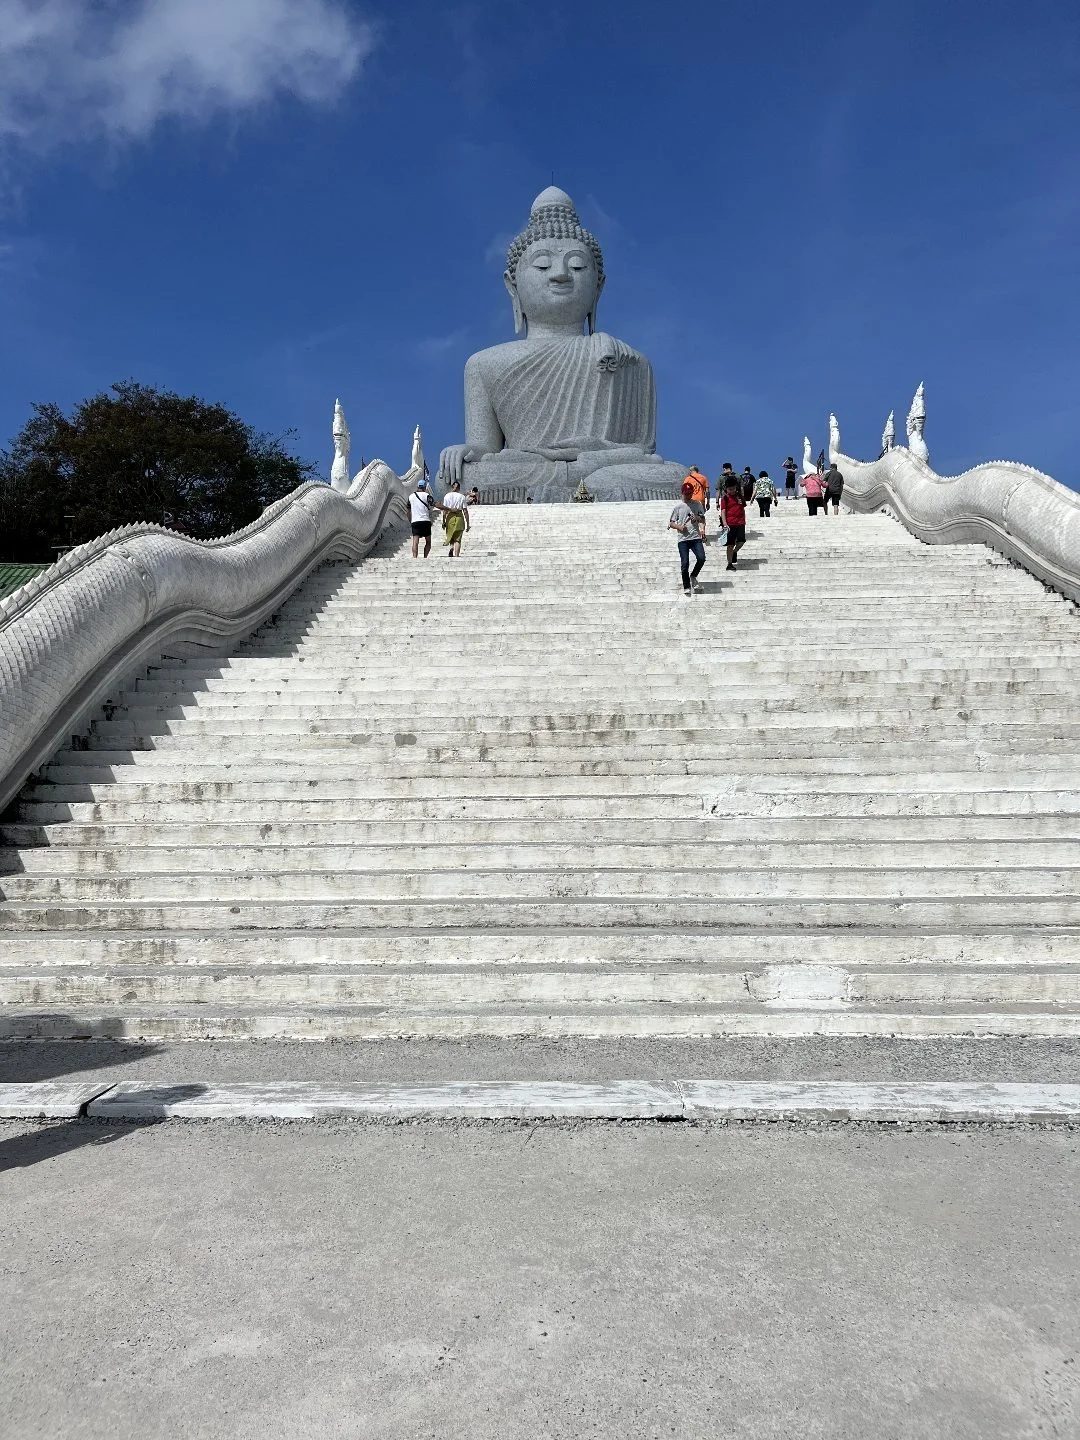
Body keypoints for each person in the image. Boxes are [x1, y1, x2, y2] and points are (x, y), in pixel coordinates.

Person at [668, 480, 706, 594]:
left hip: (695, 537)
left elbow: (703, 518)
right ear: (682, 493)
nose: (688, 495)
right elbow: (671, 523)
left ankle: (693, 576)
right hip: (683, 539)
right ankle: (686, 585)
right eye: (686, 493)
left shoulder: (697, 504)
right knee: (685, 563)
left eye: (690, 493)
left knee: (701, 558)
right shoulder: (678, 507)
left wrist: (697, 519)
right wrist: (679, 527)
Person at [437, 479, 471, 555]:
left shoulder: (447, 496)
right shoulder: (461, 496)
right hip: (459, 517)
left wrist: (444, 521)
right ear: (459, 488)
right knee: (458, 538)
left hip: (450, 517)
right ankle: (456, 555)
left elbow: (444, 510)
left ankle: (451, 547)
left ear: (452, 487)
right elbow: (465, 511)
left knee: (451, 535)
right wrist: (468, 524)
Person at [720, 476, 747, 570]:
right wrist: (724, 523)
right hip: (730, 524)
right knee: (730, 544)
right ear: (726, 489)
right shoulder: (725, 498)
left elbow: (743, 507)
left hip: (740, 522)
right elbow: (723, 511)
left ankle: (735, 552)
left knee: (741, 541)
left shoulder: (739, 496)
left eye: (733, 489)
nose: (732, 491)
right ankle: (729, 564)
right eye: (729, 489)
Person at [409, 478, 435, 558]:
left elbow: (407, 511)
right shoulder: (427, 495)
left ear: (417, 486)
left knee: (415, 541)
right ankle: (425, 557)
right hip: (425, 521)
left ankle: (415, 557)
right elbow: (434, 504)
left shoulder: (410, 497)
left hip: (415, 521)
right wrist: (447, 508)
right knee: (428, 541)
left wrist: (411, 520)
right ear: (425, 487)